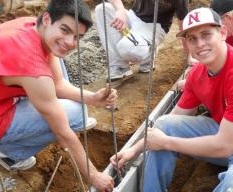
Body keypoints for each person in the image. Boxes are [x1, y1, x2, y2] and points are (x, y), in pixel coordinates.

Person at [0, 0, 116, 191]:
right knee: (74, 115)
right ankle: (9, 151)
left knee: (76, 103)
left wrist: (93, 98)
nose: (70, 42)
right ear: (47, 18)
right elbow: (63, 133)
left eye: (77, 36)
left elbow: (58, 84)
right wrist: (94, 176)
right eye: (65, 30)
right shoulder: (31, 66)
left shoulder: (33, 26)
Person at [111, 7, 233, 191]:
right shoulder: (197, 74)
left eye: (206, 35)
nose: (200, 44)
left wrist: (166, 143)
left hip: (225, 143)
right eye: (192, 39)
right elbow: (171, 121)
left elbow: (224, 146)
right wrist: (132, 150)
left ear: (223, 32)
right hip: (225, 136)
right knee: (165, 125)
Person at [95, 0, 189, 81]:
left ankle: (148, 54)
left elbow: (183, 23)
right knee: (102, 9)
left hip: (154, 26)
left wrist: (189, 56)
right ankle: (119, 66)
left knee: (126, 47)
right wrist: (120, 10)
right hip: (133, 16)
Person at [177, 0, 233, 91]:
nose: (219, 26)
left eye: (220, 21)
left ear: (228, 17)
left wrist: (193, 83)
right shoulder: (228, 37)